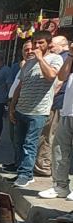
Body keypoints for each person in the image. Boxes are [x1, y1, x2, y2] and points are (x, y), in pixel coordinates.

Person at [8, 31, 63, 188]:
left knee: (29, 144)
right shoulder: (28, 62)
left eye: (41, 43)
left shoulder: (55, 59)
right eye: (35, 43)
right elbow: (20, 85)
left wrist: (40, 59)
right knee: (18, 143)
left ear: (48, 44)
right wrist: (12, 106)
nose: (37, 46)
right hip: (21, 109)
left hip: (38, 111)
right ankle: (22, 172)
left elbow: (51, 76)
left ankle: (25, 175)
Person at [34, 35, 70, 177]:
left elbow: (59, 81)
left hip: (57, 103)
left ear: (63, 45)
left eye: (52, 45)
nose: (50, 48)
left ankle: (43, 166)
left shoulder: (63, 57)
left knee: (48, 135)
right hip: (60, 103)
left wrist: (50, 98)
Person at [40, 53, 73, 202]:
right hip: (67, 111)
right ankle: (60, 186)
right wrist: (71, 55)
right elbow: (62, 76)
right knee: (59, 149)